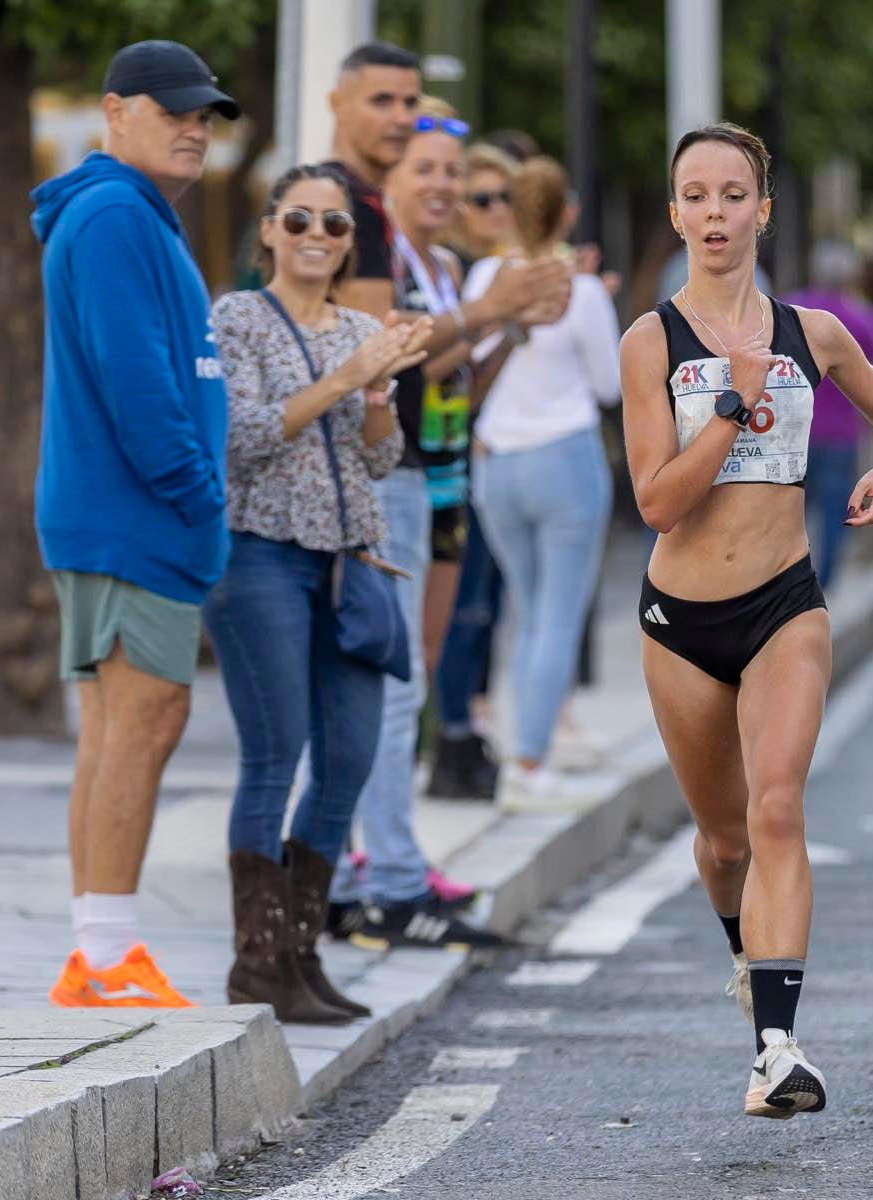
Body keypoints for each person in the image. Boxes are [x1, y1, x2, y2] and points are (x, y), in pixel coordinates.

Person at [619, 123, 873, 1118]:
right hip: (682, 622)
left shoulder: (814, 333)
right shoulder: (651, 342)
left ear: (763, 210)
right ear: (677, 215)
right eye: (697, 196)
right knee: (722, 842)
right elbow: (658, 503)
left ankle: (776, 1050)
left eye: (733, 194)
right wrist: (733, 401)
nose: (716, 213)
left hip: (785, 603)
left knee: (778, 808)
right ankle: (746, 961)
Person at [323, 46, 568, 943]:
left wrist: (506, 321)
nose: (441, 183)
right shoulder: (358, 221)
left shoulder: (429, 260)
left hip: (432, 472)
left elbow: (446, 365)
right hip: (382, 474)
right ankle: (375, 876)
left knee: (406, 676)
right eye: (424, 166)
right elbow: (385, 357)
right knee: (383, 682)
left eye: (451, 171)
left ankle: (379, 865)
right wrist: (488, 311)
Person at [34, 41, 239, 1009]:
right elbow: (137, 385)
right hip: (135, 517)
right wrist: (199, 498)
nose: (194, 128)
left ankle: (99, 952)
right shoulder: (116, 215)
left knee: (116, 728)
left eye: (203, 115)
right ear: (116, 112)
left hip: (118, 515)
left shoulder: (127, 213)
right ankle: (107, 957)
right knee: (144, 722)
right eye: (173, 112)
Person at [205, 163, 431, 1022]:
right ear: (268, 229)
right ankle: (257, 961)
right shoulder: (236, 318)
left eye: (335, 224)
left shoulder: (362, 329)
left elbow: (380, 455)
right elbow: (243, 437)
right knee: (276, 753)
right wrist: (347, 378)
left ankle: (300, 956)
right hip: (261, 557)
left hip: (351, 564)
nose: (316, 235)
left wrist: (376, 390)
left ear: (349, 242)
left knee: (349, 759)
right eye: (298, 218)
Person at [467, 157, 621, 802]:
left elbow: (471, 359)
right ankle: (530, 761)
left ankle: (520, 750)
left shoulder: (484, 276)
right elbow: (610, 385)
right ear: (566, 215)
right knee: (557, 618)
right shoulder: (581, 291)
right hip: (565, 458)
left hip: (496, 460)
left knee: (527, 615)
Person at [428, 144, 522, 800]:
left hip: (476, 454)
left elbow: (471, 381)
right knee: (460, 607)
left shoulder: (483, 276)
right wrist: (492, 320)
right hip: (441, 457)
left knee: (483, 604)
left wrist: (513, 329)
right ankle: (450, 736)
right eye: (481, 199)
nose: (495, 210)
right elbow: (438, 370)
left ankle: (465, 729)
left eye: (505, 198)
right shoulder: (458, 277)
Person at [784, 240, 873, 590]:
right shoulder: (863, 319)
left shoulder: (788, 310)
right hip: (841, 434)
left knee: (787, 511)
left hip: (791, 433)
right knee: (835, 512)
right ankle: (822, 584)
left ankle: (785, 581)